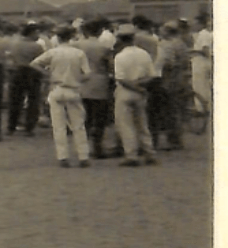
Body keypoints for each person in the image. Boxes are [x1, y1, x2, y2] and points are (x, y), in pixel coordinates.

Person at [30, 25, 92, 168]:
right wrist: (77, 80)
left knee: (58, 126)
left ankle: (62, 156)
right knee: (78, 125)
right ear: (71, 37)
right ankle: (83, 156)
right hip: (73, 90)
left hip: (57, 88)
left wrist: (48, 75)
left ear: (57, 37)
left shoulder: (53, 52)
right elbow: (87, 75)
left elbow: (34, 64)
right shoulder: (79, 53)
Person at [112, 24, 158, 167]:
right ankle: (149, 152)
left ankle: (131, 155)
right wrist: (140, 87)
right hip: (141, 92)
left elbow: (121, 78)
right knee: (142, 124)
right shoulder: (144, 54)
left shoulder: (120, 56)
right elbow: (151, 75)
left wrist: (134, 86)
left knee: (126, 125)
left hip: (125, 91)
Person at [76, 20, 113, 159]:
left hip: (82, 82)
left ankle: (82, 147)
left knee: (84, 117)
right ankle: (97, 146)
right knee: (99, 117)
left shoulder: (77, 45)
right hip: (99, 83)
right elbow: (110, 66)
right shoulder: (104, 48)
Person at [154, 21, 190, 150]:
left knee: (170, 110)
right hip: (180, 80)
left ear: (167, 31)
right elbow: (185, 61)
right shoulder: (181, 43)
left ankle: (173, 139)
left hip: (169, 80)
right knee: (177, 110)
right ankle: (176, 138)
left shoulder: (167, 45)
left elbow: (168, 63)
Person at [6, 23, 45, 137]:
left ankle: (11, 126)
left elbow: (10, 58)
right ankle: (29, 126)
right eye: (37, 32)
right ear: (31, 33)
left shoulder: (15, 44)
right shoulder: (37, 47)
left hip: (17, 71)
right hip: (32, 72)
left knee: (15, 100)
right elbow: (42, 61)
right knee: (33, 101)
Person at [190, 12, 213, 108]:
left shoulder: (204, 34)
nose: (194, 25)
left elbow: (205, 50)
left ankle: (202, 107)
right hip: (201, 61)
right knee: (202, 85)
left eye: (195, 23)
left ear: (200, 24)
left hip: (201, 62)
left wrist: (193, 51)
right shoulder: (203, 34)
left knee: (200, 85)